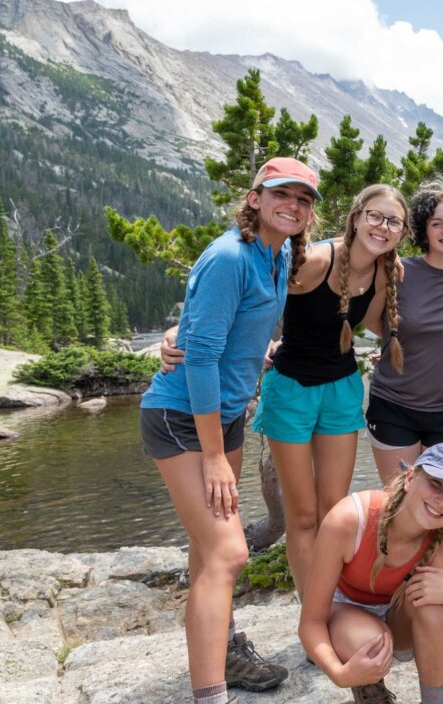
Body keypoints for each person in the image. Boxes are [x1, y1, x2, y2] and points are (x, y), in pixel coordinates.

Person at [159, 184, 407, 601]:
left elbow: (387, 325)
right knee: (304, 515)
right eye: (375, 216)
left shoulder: (385, 273)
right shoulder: (312, 261)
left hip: (342, 391)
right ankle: (312, 613)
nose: (382, 227)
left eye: (393, 221)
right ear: (356, 216)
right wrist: (176, 333)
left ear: (401, 232)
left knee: (335, 510)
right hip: (290, 389)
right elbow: (246, 303)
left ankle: (335, 603)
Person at [139, 157, 318, 704]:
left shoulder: (280, 251)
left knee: (206, 547)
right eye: (281, 194)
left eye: (303, 199)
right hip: (182, 417)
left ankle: (224, 652)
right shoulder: (229, 257)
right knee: (229, 552)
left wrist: (257, 352)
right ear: (255, 198)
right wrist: (214, 456)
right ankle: (210, 693)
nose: (292, 206)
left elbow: (217, 328)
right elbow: (199, 357)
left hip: (226, 413)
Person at [298, 442, 443, 704]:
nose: (442, 501)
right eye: (436, 483)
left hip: (401, 619)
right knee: (373, 640)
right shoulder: (350, 520)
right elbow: (310, 622)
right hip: (345, 616)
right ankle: (370, 689)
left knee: (435, 605)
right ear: (410, 478)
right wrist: (340, 674)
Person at [364, 181, 443, 483]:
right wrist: (395, 342)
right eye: (437, 223)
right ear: (424, 231)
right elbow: (370, 318)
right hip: (394, 406)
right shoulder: (401, 271)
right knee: (398, 501)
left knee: (440, 501)